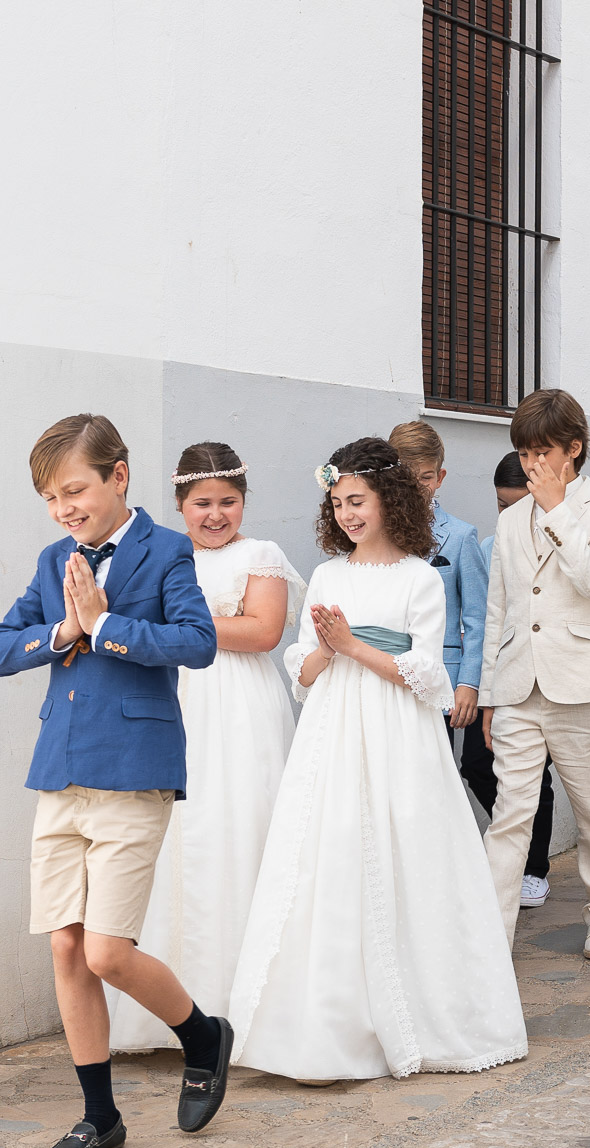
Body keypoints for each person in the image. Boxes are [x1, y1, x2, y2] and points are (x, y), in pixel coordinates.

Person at [227, 438, 527, 1082]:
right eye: (338, 503)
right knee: (329, 851)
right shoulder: (328, 575)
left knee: (403, 848)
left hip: (398, 730)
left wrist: (353, 645)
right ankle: (330, 1020)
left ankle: (415, 1011)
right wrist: (325, 649)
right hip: (333, 728)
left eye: (357, 501)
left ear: (389, 500)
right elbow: (302, 666)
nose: (347, 515)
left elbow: (427, 675)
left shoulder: (421, 576)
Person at [0, 415, 228, 1148]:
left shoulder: (167, 549)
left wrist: (106, 624)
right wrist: (61, 632)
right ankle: (100, 1117)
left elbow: (198, 642)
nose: (64, 510)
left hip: (134, 770)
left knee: (107, 952)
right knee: (65, 946)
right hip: (60, 769)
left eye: (75, 491)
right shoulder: (52, 559)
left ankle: (202, 1035)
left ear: (118, 476)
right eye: (50, 498)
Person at [108, 443, 303, 1050]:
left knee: (237, 826)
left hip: (240, 705)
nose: (215, 515)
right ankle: (168, 1011)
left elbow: (263, 631)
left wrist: (172, 629)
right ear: (180, 504)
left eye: (228, 501)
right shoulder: (162, 552)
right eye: (201, 503)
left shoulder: (260, 555)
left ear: (244, 501)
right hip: (174, 697)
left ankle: (247, 1005)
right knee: (173, 838)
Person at [479, 389, 590, 960]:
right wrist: (491, 694)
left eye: (542, 452)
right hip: (518, 684)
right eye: (524, 454)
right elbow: (498, 610)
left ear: (573, 448)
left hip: (581, 680)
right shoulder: (509, 519)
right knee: (509, 813)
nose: (532, 465)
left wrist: (556, 510)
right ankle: (491, 935)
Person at [459, 452, 561, 909]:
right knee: (478, 764)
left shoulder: (560, 539)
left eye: (519, 505)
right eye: (502, 505)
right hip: (498, 675)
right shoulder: (486, 547)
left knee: (537, 771)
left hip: (548, 673)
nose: (509, 515)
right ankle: (513, 854)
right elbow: (484, 617)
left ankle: (534, 868)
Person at [388, 421, 489, 736]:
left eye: (426, 477)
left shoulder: (460, 536)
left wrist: (468, 682)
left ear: (440, 477)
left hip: (440, 677)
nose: (416, 487)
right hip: (384, 672)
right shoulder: (374, 533)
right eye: (407, 478)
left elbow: (478, 618)